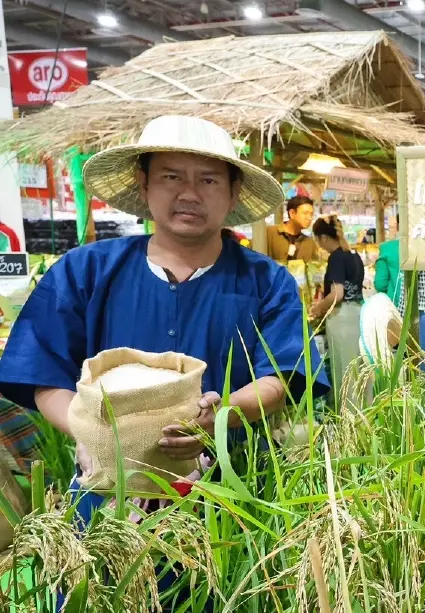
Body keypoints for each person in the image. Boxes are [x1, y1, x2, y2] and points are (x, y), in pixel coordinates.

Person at [0, 114, 328, 522]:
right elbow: (44, 375)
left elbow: (281, 377)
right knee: (107, 585)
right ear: (144, 183)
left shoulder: (266, 281)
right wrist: (95, 434)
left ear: (233, 191)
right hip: (107, 494)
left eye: (208, 180)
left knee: (226, 585)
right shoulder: (85, 272)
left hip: (232, 492)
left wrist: (223, 413)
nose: (189, 194)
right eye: (171, 177)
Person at [309, 215, 364, 404]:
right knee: (358, 370)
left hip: (341, 318)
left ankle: (347, 419)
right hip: (358, 315)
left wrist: (318, 307)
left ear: (323, 238)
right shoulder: (353, 255)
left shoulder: (336, 258)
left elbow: (337, 294)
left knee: (344, 371)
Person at [265, 194, 316, 263]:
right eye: (305, 213)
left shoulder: (309, 243)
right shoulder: (270, 233)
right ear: (292, 213)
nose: (310, 218)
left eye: (311, 214)